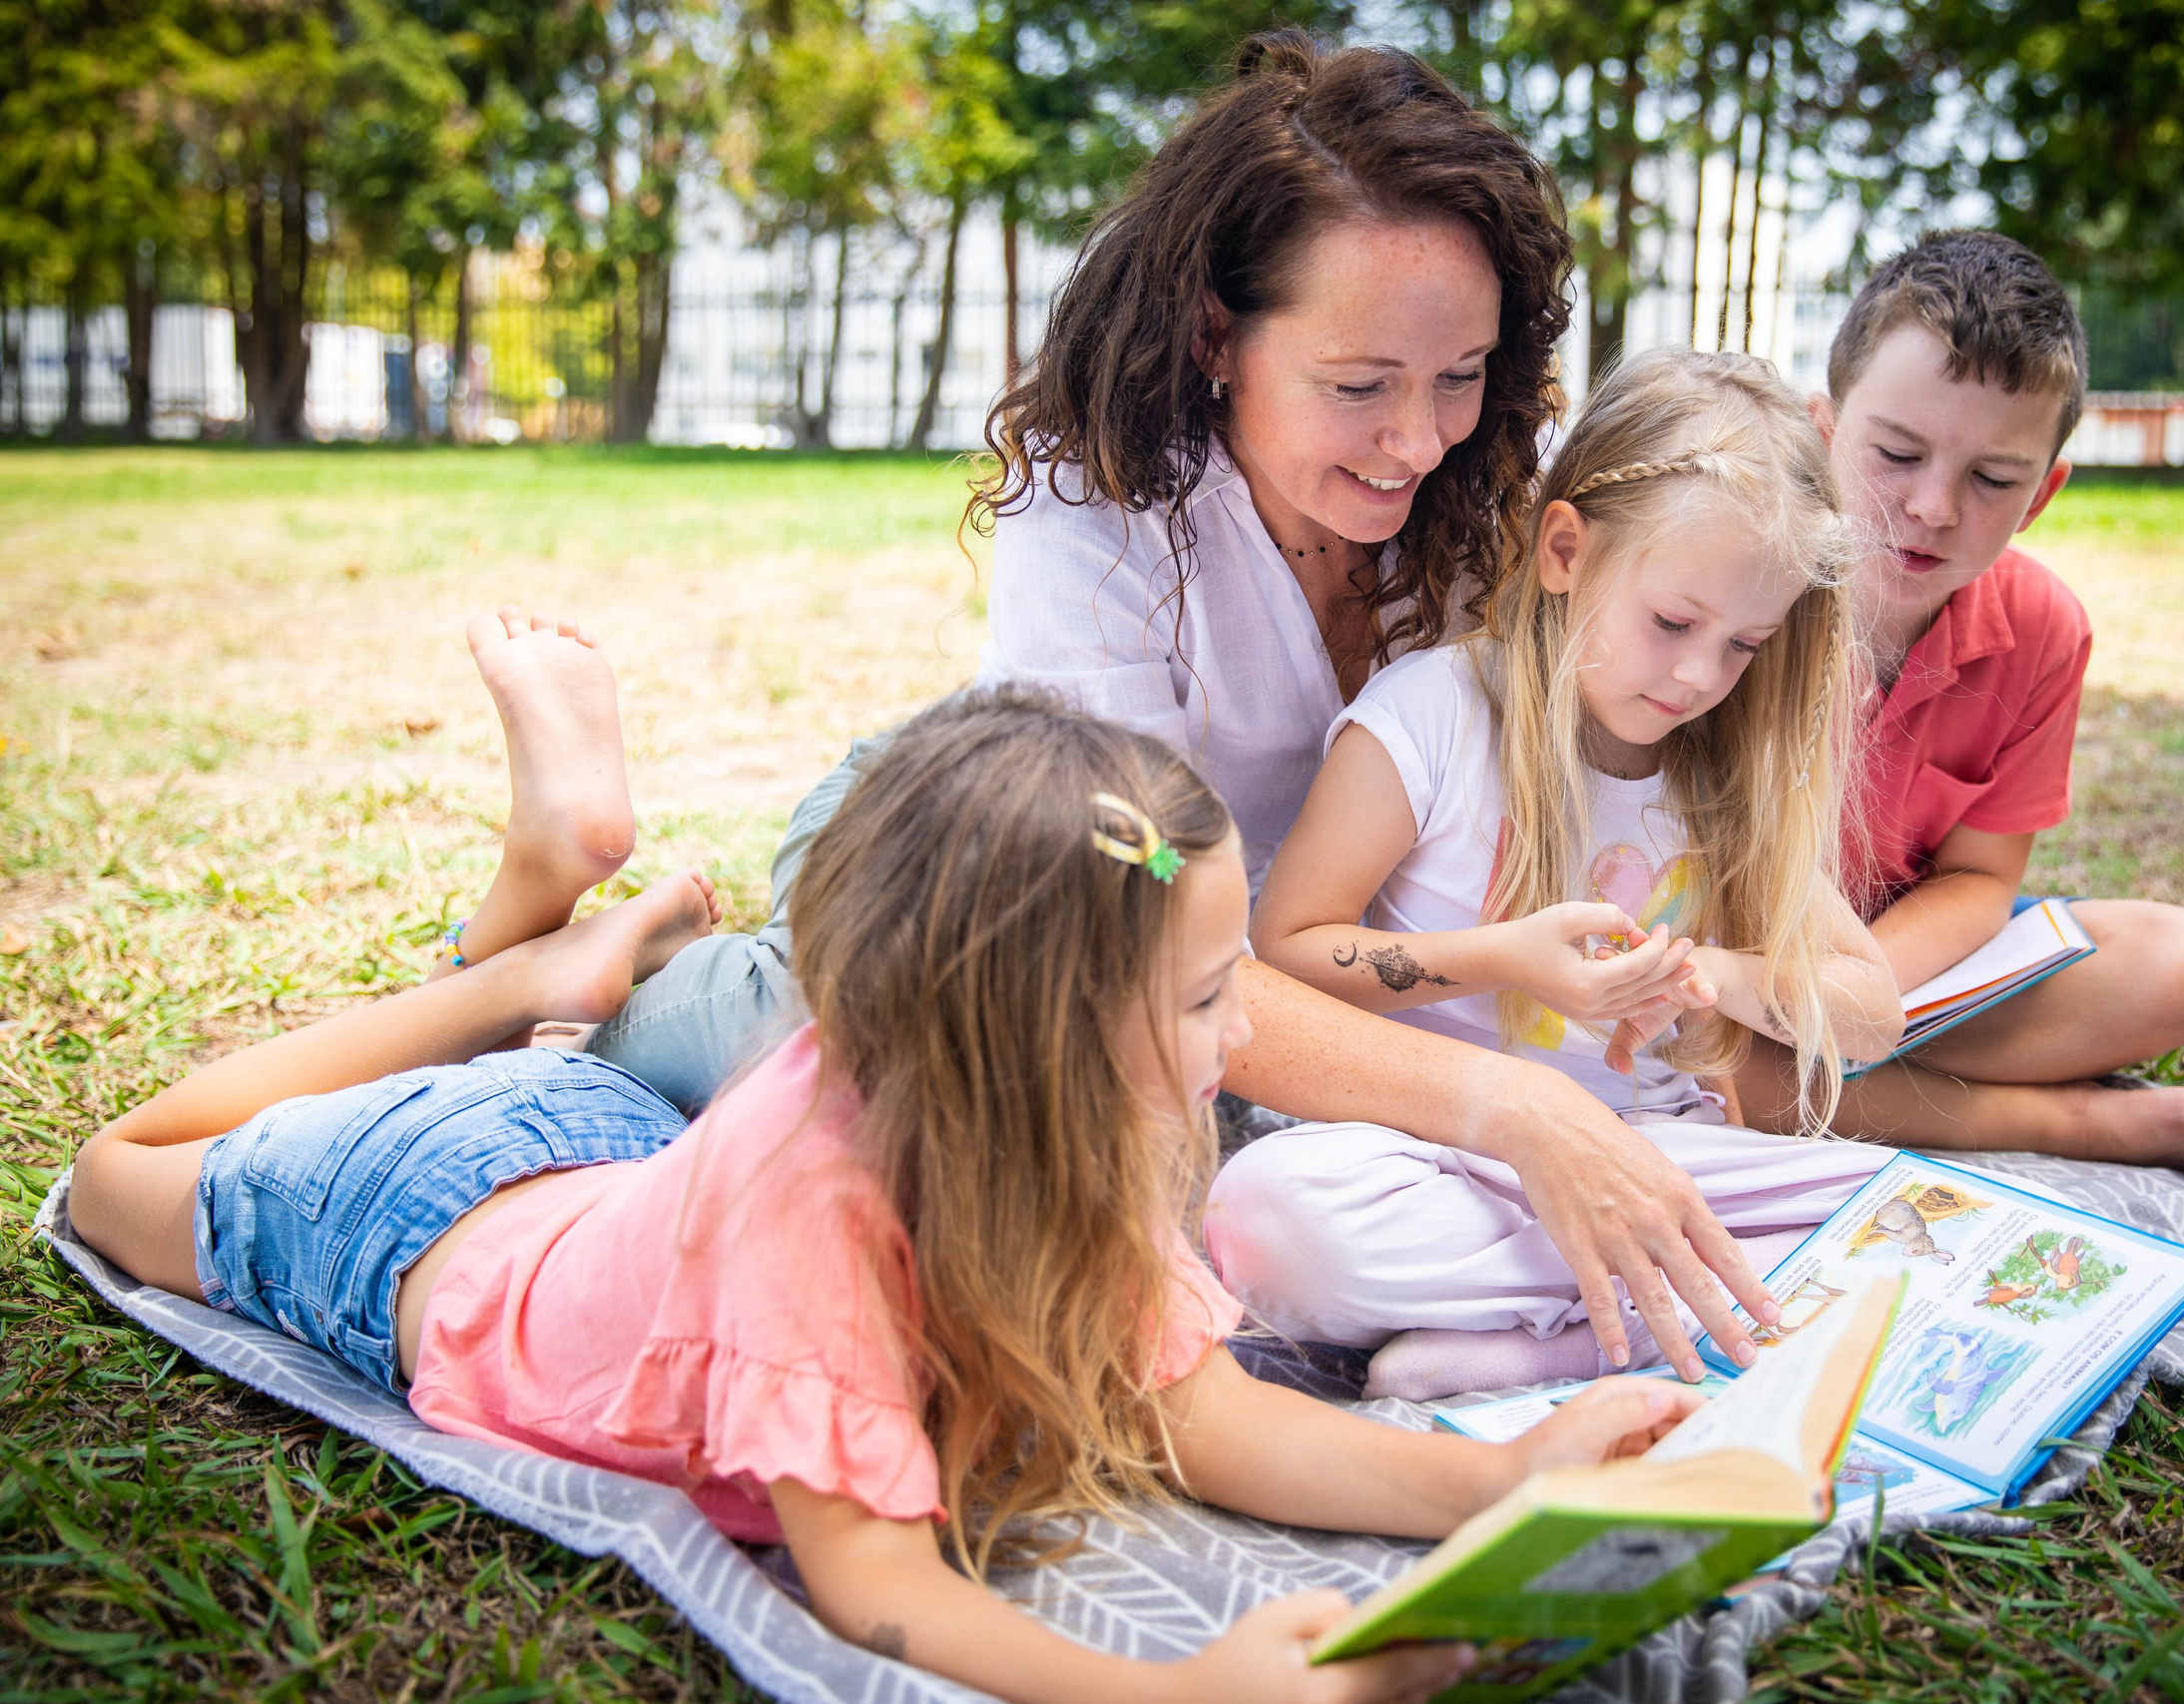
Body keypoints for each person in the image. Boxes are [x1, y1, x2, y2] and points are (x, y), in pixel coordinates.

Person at [68, 665, 1712, 1704]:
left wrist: (1494, 1491)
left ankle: (552, 986)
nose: (1241, 1040)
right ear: (1043, 1033)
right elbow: (873, 1587)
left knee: (566, 1090)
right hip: (410, 1223)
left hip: (620, 1165)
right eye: (1207, 1001)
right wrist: (1178, 1689)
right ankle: (522, 979)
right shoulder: (816, 1206)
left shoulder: (1085, 1121)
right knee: (109, 1175)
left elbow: (1199, 1413)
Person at [574, 32, 1784, 1376]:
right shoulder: (1091, 501)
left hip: (1262, 946)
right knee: (857, 1063)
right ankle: (611, 971)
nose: (1420, 439)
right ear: (1218, 332)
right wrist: (1503, 1102)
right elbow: (1129, 906)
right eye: (1357, 384)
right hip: (1036, 861)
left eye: (1460, 375)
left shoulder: (1507, 475)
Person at [1217, 349, 1908, 1403]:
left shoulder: (1711, 774)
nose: (1697, 677)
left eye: (1743, 645)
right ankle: (1649, 1315)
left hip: (1649, 1158)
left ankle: (1539, 1350)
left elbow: (1871, 1016)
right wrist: (1503, 961)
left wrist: (1711, 980)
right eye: (1673, 623)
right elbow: (1288, 947)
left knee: (1901, 1212)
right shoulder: (1431, 717)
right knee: (1267, 1217)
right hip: (1433, 1153)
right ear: (1565, 550)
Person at [1729, 230, 2184, 1178]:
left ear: (2044, 493)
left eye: (1991, 479)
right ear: (1822, 433)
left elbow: (1979, 881)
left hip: (1900, 971)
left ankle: (1831, 1073)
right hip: (1736, 970)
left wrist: (1859, 999)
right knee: (1717, 1065)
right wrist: (1808, 999)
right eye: (1896, 453)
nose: (1934, 505)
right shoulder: (1732, 584)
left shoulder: (2042, 628)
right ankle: (2067, 1123)